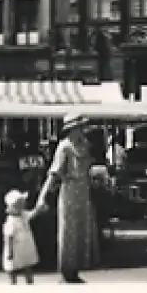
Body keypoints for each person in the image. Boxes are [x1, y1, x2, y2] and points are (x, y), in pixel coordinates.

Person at [32, 112, 99, 283]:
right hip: (69, 189)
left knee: (83, 229)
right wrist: (43, 196)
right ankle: (67, 270)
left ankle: (77, 268)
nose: (82, 130)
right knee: (69, 230)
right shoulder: (64, 147)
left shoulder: (85, 145)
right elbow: (54, 173)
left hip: (83, 190)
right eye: (80, 127)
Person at [2, 190, 39, 284]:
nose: (24, 205)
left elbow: (33, 214)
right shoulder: (11, 221)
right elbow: (9, 237)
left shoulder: (23, 215)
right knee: (12, 268)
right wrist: (10, 251)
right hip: (15, 249)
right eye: (21, 203)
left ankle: (29, 283)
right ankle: (13, 283)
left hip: (25, 247)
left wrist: (39, 209)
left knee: (27, 266)